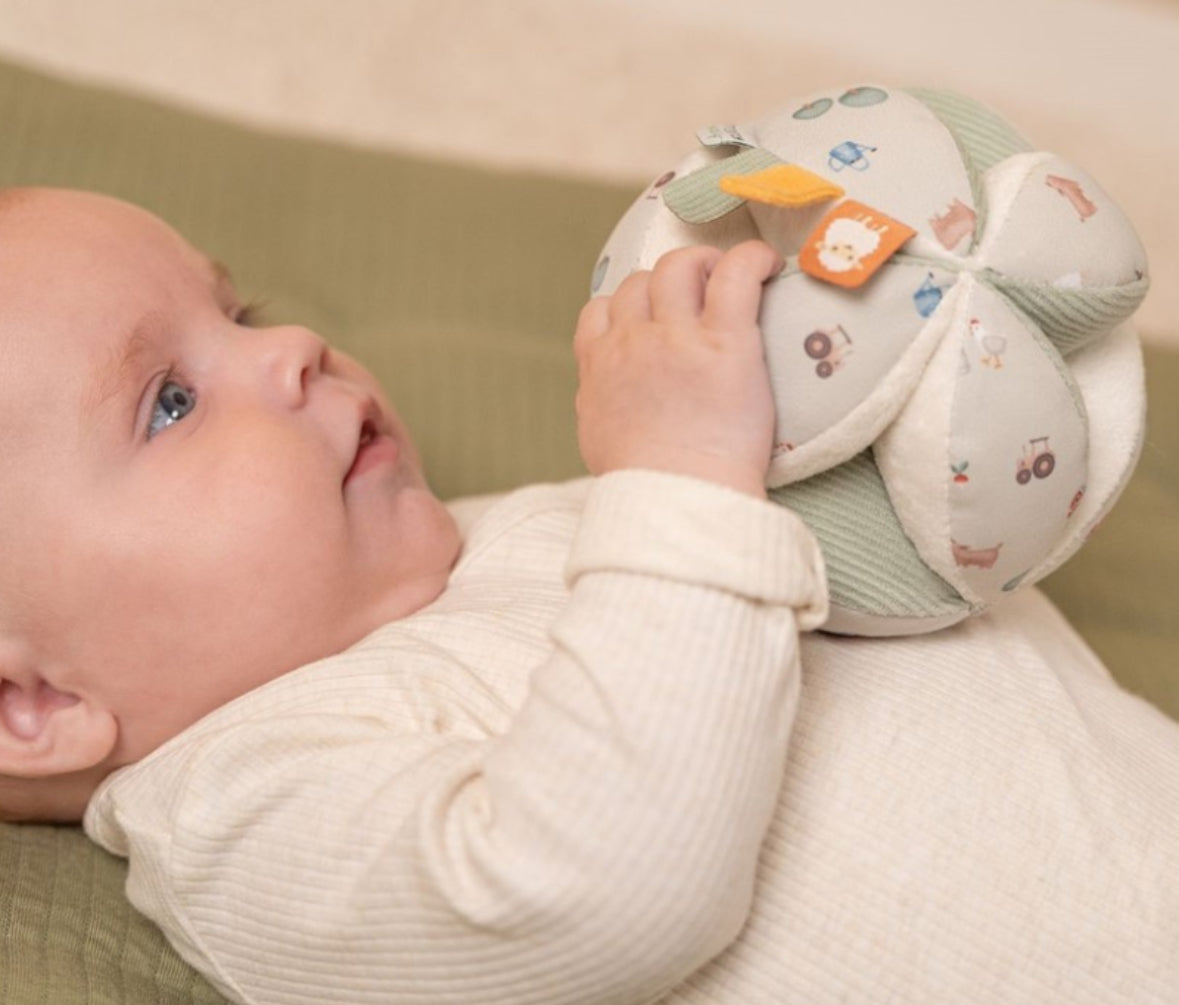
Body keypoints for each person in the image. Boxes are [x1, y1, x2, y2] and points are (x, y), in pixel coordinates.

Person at [0, 186, 1175, 1003]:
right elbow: (581, 900)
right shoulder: (244, 805)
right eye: (168, 400)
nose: (294, 343)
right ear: (31, 706)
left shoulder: (519, 524)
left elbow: (848, 575)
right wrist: (683, 470)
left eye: (241, 311)